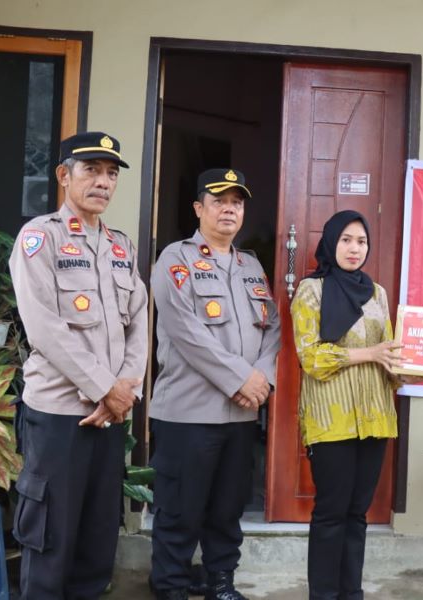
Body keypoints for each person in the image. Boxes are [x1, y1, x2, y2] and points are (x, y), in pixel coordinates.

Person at [10, 131, 148, 599]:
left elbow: (139, 323)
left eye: (111, 174)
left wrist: (125, 388)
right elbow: (44, 328)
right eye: (91, 170)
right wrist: (106, 388)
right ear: (64, 176)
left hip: (110, 416)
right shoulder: (40, 238)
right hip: (59, 415)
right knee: (50, 540)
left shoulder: (121, 246)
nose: (103, 182)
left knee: (97, 539)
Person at [149, 168, 280, 600]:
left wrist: (263, 379)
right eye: (219, 200)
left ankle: (220, 582)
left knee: (227, 508)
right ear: (198, 208)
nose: (229, 209)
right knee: (180, 508)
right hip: (188, 413)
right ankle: (170, 585)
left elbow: (273, 328)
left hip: (240, 415)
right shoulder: (175, 260)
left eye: (236, 202)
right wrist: (242, 378)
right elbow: (186, 333)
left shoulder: (250, 266)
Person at [290, 210, 403, 600]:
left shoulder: (377, 293)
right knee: (331, 512)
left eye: (362, 241)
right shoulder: (311, 290)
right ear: (331, 242)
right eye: (346, 240)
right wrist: (369, 353)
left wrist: (420, 367)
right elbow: (311, 357)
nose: (355, 249)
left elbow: (390, 355)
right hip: (331, 419)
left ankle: (351, 593)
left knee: (358, 514)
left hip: (375, 418)